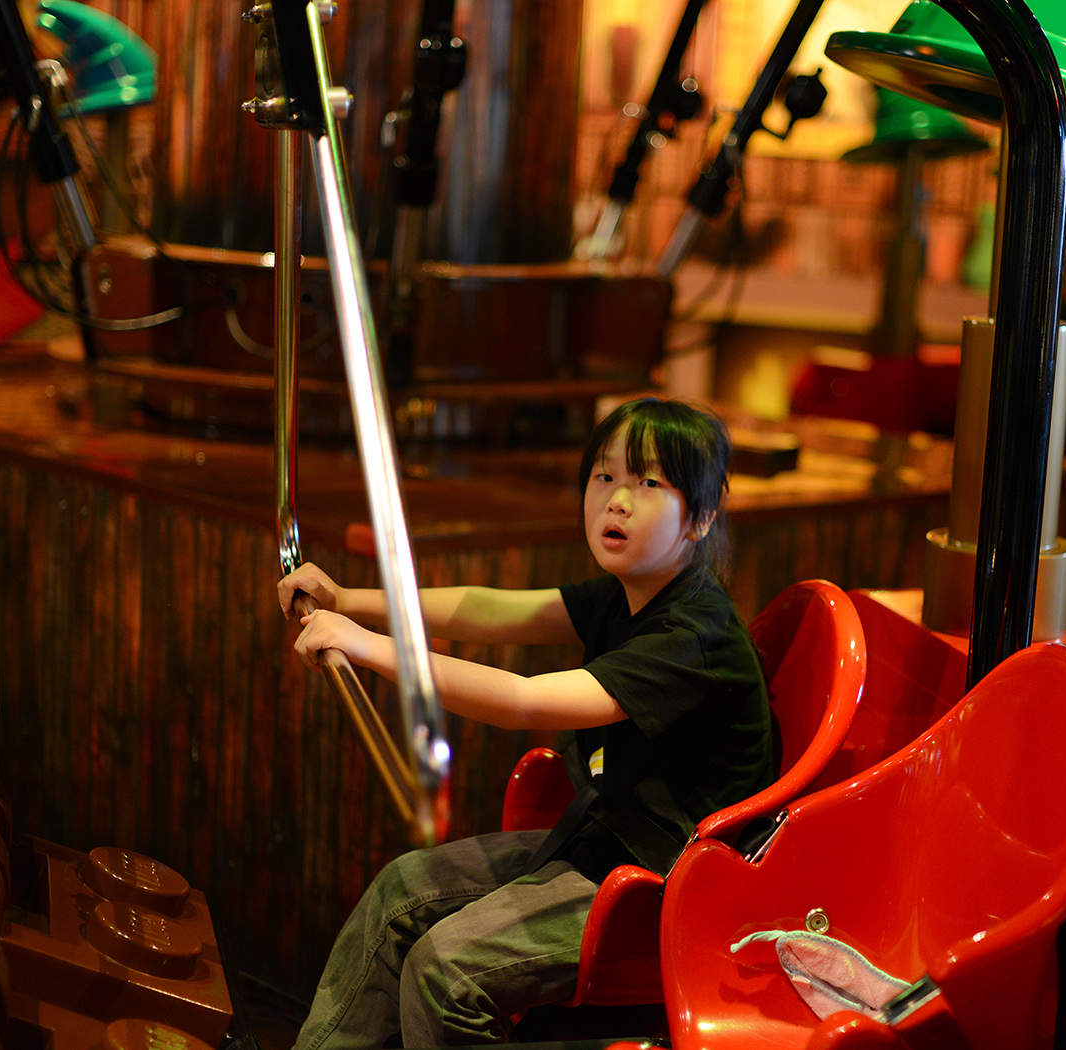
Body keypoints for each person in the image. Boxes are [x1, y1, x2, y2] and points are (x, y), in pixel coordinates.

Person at [278, 396, 775, 1048]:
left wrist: (370, 647)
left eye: (649, 483)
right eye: (604, 475)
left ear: (702, 517)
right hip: (606, 845)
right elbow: (486, 610)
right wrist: (349, 600)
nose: (617, 500)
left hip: (669, 889)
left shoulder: (694, 633)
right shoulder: (627, 592)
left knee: (445, 971)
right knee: (400, 893)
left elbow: (524, 700)